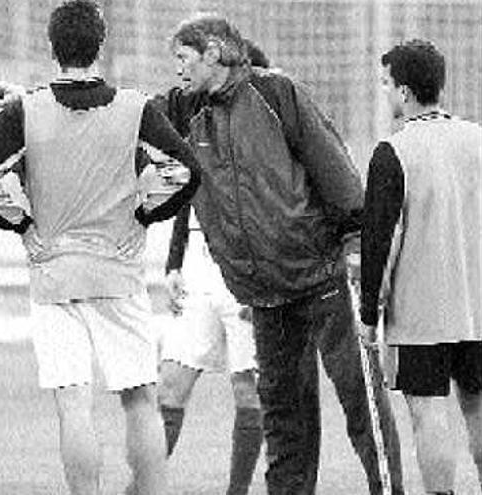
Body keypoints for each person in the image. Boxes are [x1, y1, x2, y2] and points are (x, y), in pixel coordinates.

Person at [154, 15, 404, 494]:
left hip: (325, 278)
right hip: (266, 297)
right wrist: (33, 102)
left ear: (212, 52)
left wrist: (355, 251)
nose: (177, 71)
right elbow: (119, 113)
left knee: (361, 404)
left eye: (182, 59)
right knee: (285, 425)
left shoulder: (277, 95)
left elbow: (339, 176)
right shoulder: (183, 110)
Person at [0, 2, 202, 493]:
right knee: (140, 397)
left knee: (73, 402)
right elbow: (186, 172)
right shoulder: (135, 109)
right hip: (117, 269)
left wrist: (24, 224)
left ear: (52, 48)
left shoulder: (24, 111)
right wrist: (144, 215)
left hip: (54, 273)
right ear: (102, 45)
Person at [360, 39, 482, 495]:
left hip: (422, 313)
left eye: (387, 84)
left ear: (406, 92)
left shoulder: (394, 152)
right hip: (478, 305)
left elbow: (379, 240)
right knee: (476, 405)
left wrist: (369, 314)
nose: (385, 93)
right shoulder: (479, 140)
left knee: (429, 411)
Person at [155, 44, 274, 495]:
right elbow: (190, 195)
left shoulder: (272, 142)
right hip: (201, 270)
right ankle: (142, 485)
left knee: (247, 388)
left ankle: (236, 492)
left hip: (248, 275)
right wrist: (173, 263)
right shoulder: (201, 125)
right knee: (170, 383)